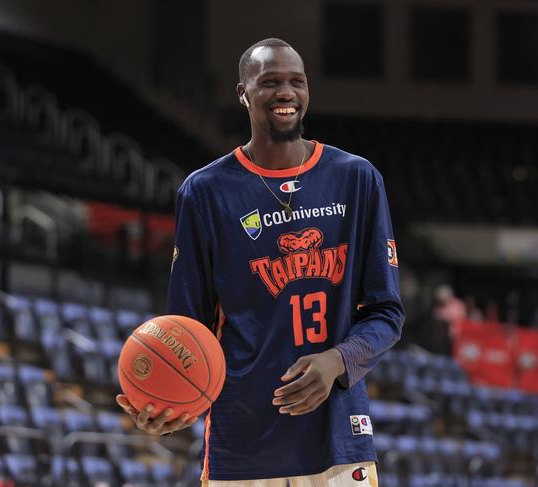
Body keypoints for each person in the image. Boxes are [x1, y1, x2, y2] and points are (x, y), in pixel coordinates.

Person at [117, 38, 404, 486]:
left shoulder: (357, 179)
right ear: (243, 93)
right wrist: (171, 403)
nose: (286, 93)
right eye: (270, 82)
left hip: (338, 444)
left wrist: (337, 361)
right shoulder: (205, 192)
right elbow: (186, 329)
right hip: (241, 445)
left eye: (297, 82)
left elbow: (387, 313)